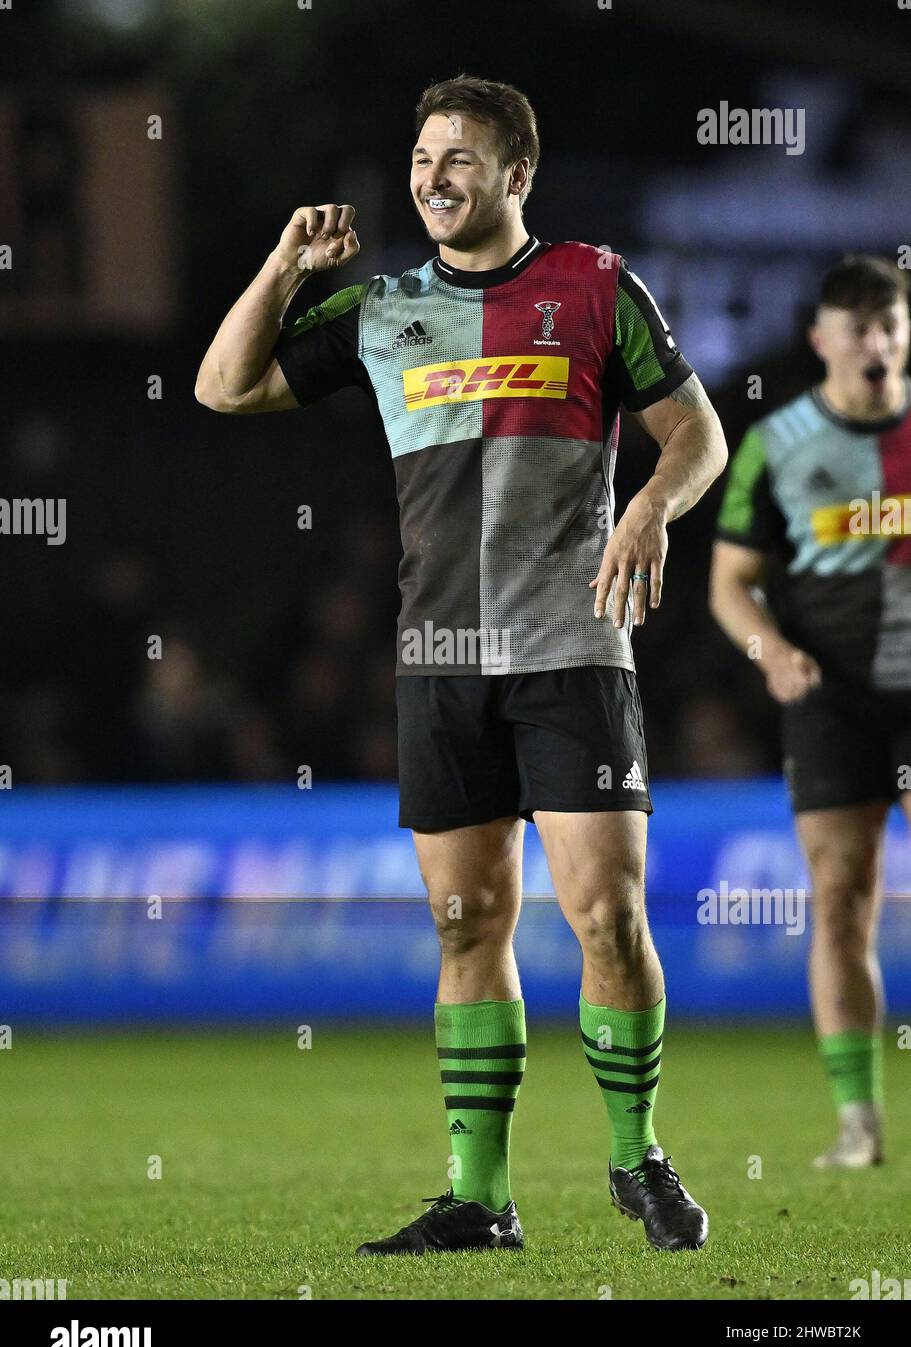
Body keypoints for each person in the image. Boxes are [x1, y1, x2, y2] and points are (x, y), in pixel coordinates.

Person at [196, 74, 727, 1252]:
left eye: (460, 159)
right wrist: (286, 269)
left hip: (571, 646)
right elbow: (222, 385)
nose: (433, 177)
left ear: (516, 176)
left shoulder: (592, 285)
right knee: (465, 922)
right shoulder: (382, 309)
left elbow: (698, 431)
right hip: (439, 657)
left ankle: (635, 1155)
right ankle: (479, 1199)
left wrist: (648, 507)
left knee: (604, 915)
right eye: (422, 158)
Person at [710, 254, 911, 1169]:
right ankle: (857, 1123)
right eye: (856, 329)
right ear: (820, 340)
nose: (873, 344)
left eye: (888, 326)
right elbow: (729, 587)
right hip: (829, 701)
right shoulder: (775, 442)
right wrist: (769, 650)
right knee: (838, 901)